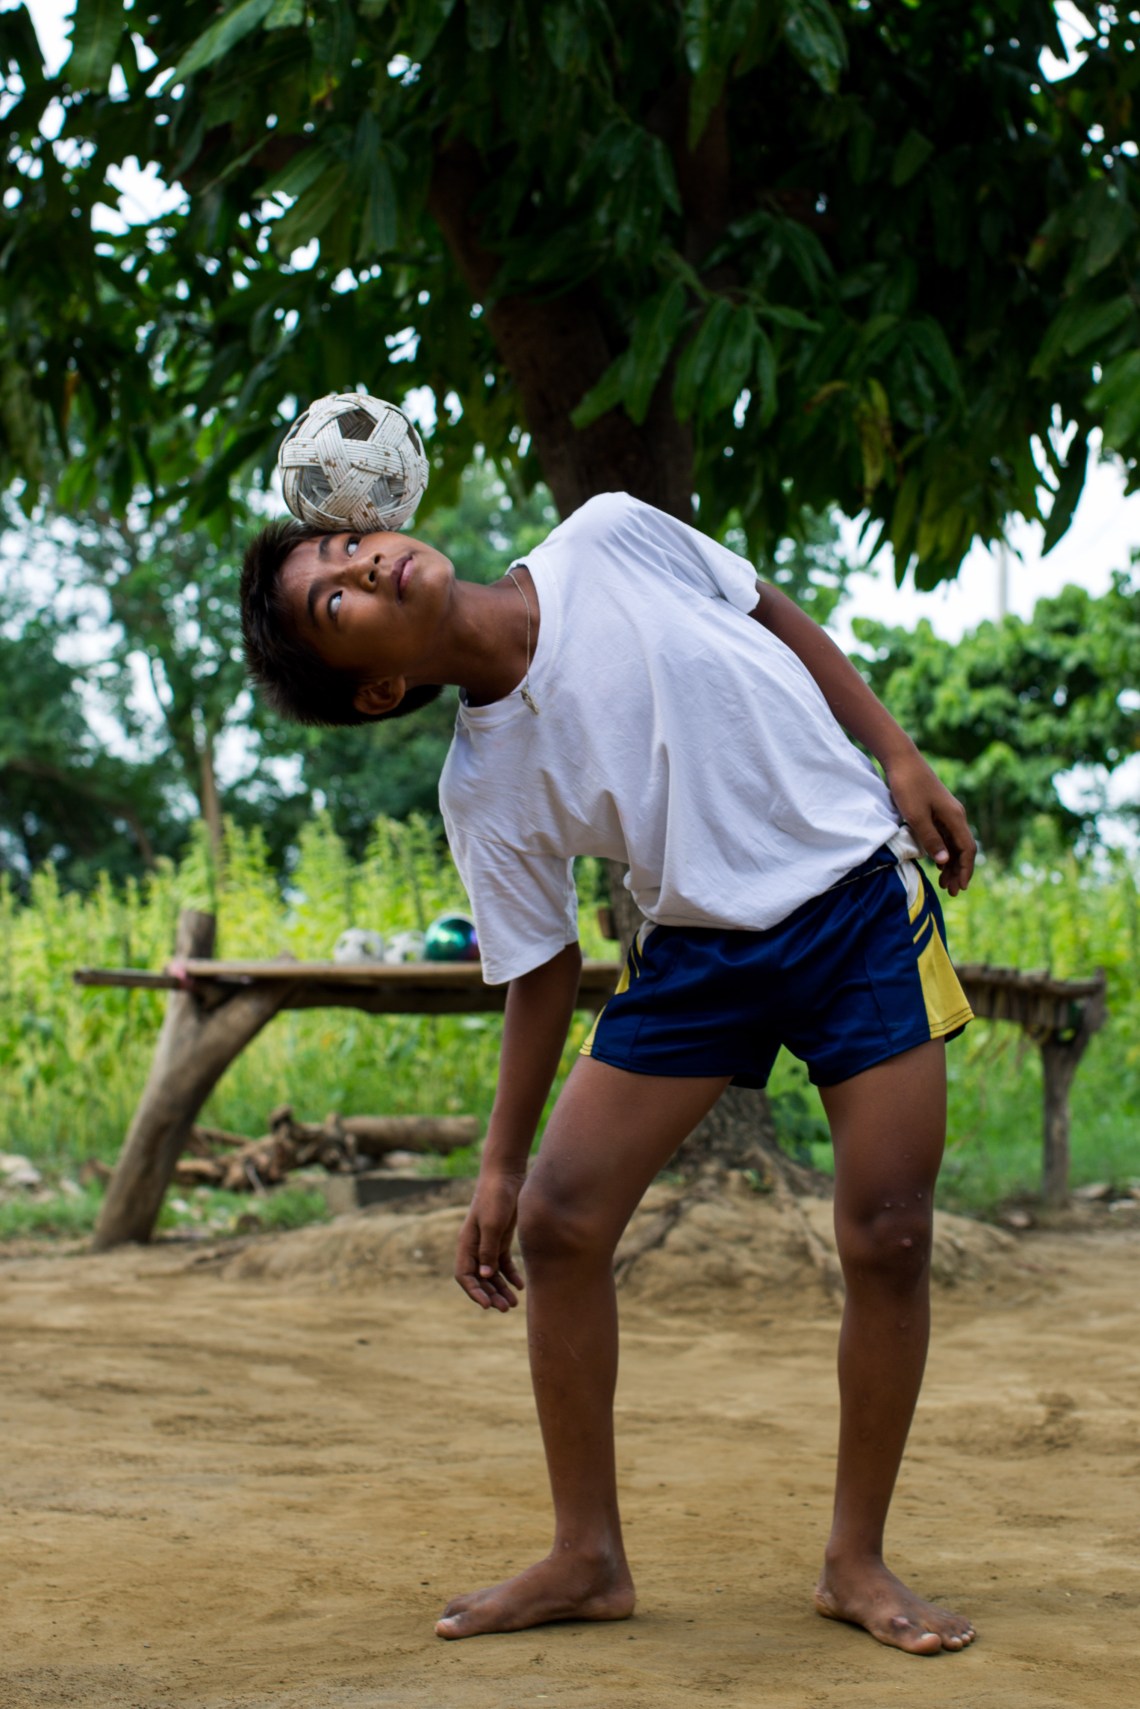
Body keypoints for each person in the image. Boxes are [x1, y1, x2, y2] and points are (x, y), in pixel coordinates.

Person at [241, 490, 978, 1656]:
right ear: (377, 689)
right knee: (559, 1220)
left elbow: (771, 609)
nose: (366, 566)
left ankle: (856, 1559)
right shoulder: (481, 787)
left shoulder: (608, 533)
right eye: (334, 601)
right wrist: (498, 1165)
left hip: (856, 901)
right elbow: (540, 968)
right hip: (697, 949)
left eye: (347, 544)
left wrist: (897, 753)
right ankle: (587, 1555)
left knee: (889, 1230)